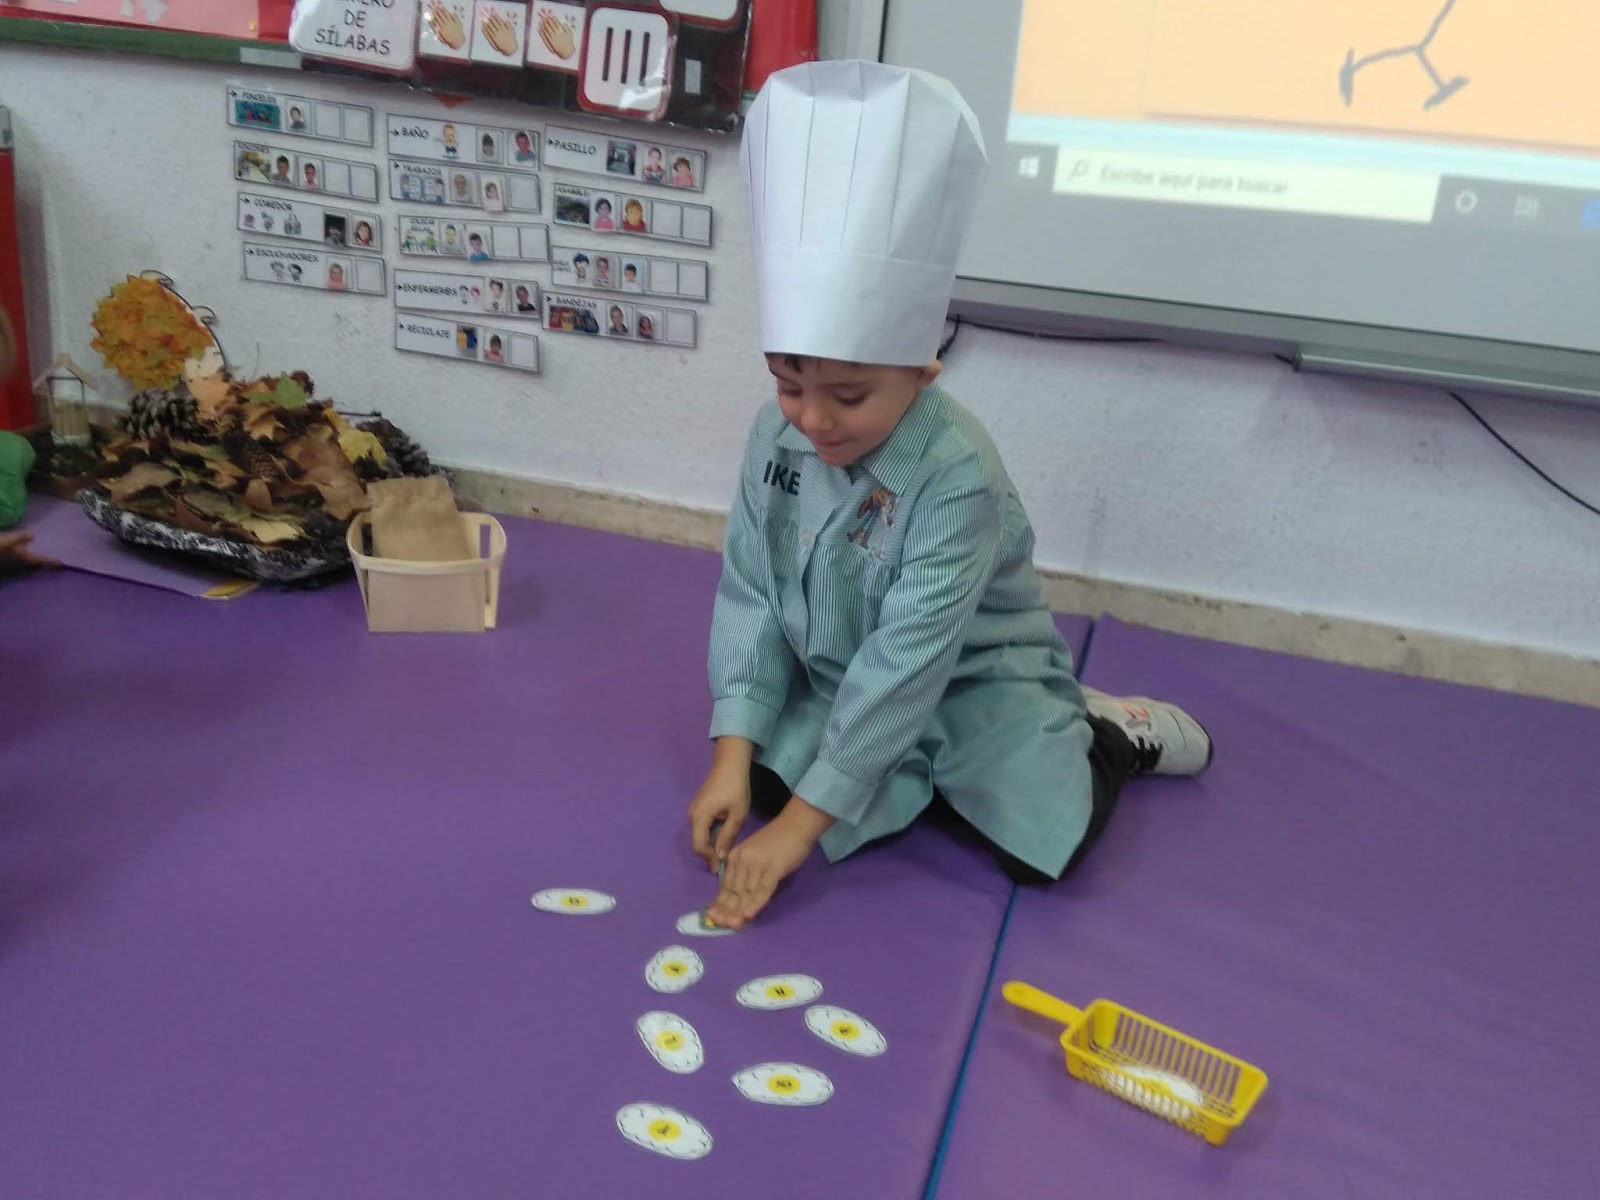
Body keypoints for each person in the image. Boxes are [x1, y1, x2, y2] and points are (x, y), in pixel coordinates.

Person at [687, 62, 1212, 931]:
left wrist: (796, 835)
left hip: (970, 675)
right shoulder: (772, 435)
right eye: (788, 383)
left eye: (848, 396)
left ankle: (1106, 734)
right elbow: (751, 591)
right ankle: (871, 770)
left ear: (923, 373)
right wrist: (730, 756)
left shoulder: (957, 474)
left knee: (1039, 849)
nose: (812, 419)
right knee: (774, 786)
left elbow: (910, 662)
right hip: (843, 668)